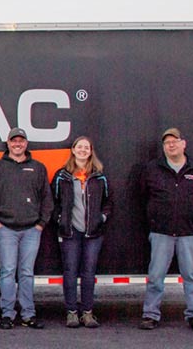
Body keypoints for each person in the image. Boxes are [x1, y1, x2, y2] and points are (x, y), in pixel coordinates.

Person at [139, 128, 193, 332]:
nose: (170, 145)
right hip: (161, 232)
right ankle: (151, 314)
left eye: (174, 141)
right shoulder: (152, 169)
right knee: (155, 276)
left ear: (183, 144)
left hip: (189, 232)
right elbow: (143, 196)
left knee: (191, 276)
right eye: (166, 143)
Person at [0, 127, 53, 330]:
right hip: (5, 228)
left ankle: (28, 315)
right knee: (7, 272)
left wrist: (41, 224)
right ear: (8, 143)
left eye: (21, 141)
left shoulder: (38, 167)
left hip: (31, 230)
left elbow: (47, 199)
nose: (17, 144)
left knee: (26, 273)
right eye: (13, 141)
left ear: (26, 143)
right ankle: (7, 314)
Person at [51, 136, 113, 328]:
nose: (83, 150)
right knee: (69, 272)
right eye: (80, 147)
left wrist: (101, 217)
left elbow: (109, 202)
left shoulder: (99, 176)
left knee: (88, 273)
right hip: (70, 232)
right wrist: (60, 219)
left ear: (91, 151)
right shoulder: (62, 176)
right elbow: (52, 202)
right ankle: (71, 312)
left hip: (93, 233)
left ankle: (87, 313)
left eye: (86, 147)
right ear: (73, 150)